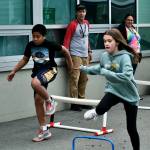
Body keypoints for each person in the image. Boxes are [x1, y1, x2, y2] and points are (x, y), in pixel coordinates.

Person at [7, 24, 73, 142]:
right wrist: (14, 71)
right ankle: (44, 130)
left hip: (50, 70)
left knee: (35, 83)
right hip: (38, 73)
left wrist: (71, 67)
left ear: (44, 36)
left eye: (38, 36)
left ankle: (50, 101)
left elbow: (66, 51)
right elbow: (25, 59)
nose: (35, 39)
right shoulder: (30, 45)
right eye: (33, 36)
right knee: (38, 100)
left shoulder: (50, 44)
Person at [80, 29, 140, 150]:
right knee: (102, 107)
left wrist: (106, 72)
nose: (106, 43)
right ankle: (96, 112)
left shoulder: (124, 57)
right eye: (104, 41)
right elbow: (100, 68)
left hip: (129, 94)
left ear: (117, 42)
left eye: (109, 41)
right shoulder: (104, 56)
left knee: (131, 128)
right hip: (113, 90)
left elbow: (127, 76)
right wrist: (85, 69)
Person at [64, 4, 92, 111]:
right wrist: (68, 57)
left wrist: (89, 51)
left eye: (83, 11)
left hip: (85, 55)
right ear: (76, 13)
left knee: (84, 79)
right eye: (80, 11)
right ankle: (74, 103)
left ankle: (82, 101)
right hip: (75, 55)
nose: (82, 13)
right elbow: (66, 41)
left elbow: (87, 38)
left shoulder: (86, 23)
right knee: (74, 78)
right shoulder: (72, 24)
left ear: (85, 13)